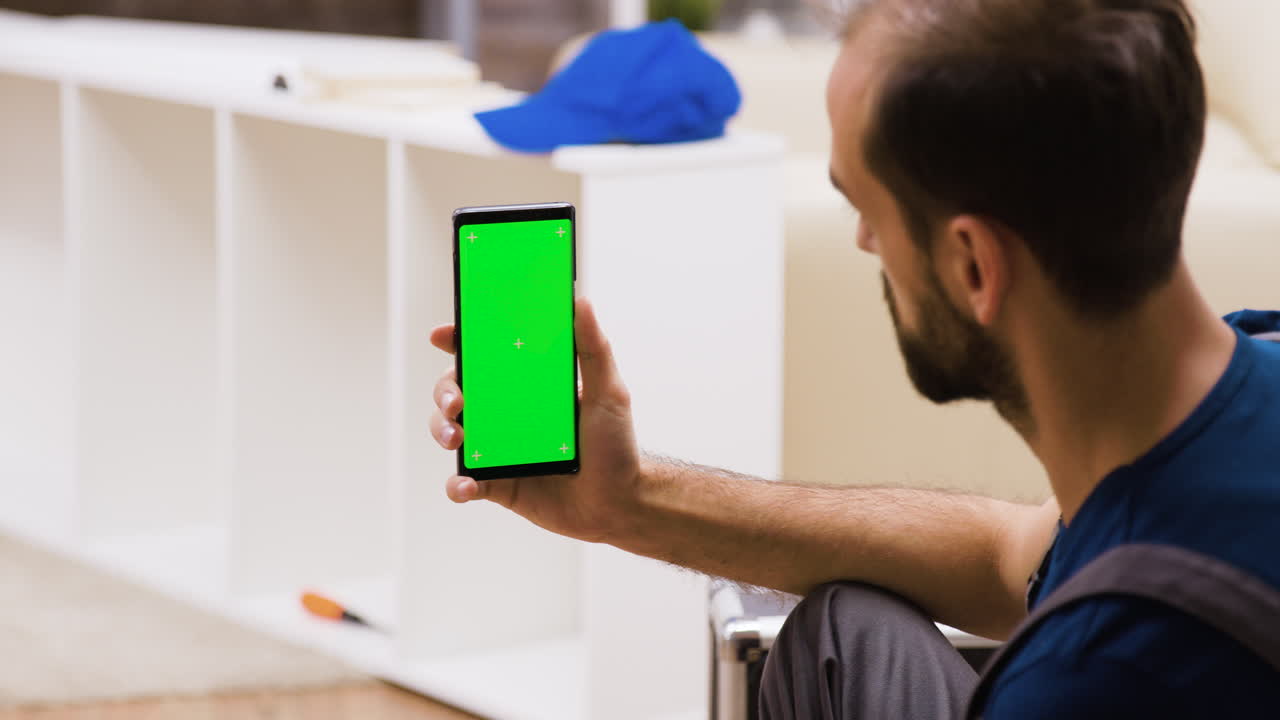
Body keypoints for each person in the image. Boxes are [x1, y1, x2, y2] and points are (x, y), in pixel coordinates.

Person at [427, 0, 1280, 716]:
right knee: (846, 629)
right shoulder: (1244, 375)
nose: (865, 240)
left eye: (862, 206)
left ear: (974, 266)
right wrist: (630, 500)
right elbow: (1012, 558)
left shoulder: (1092, 673)